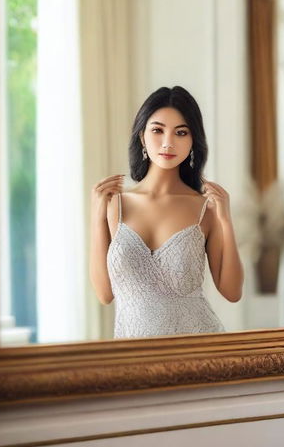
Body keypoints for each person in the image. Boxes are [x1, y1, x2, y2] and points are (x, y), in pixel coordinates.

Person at [89, 86, 243, 338]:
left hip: (198, 351)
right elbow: (105, 294)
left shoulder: (205, 209)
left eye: (181, 133)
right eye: (158, 130)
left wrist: (225, 220)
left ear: (193, 141)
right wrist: (97, 219)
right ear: (142, 137)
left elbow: (232, 292)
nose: (168, 143)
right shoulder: (115, 205)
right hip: (133, 357)